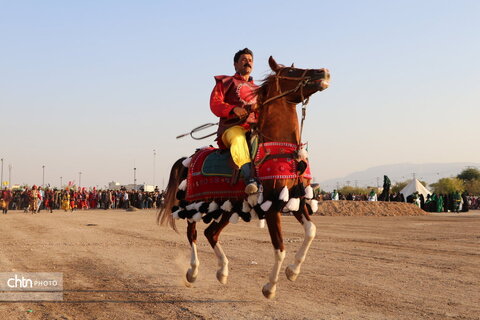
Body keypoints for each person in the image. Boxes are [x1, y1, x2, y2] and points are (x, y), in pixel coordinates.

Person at [210, 48, 259, 194]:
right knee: (238, 139)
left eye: (250, 60)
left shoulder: (259, 89)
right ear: (235, 65)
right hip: (232, 129)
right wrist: (233, 109)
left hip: (255, 129)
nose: (247, 63)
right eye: (244, 60)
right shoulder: (226, 82)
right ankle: (249, 177)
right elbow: (215, 103)